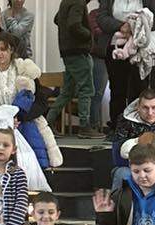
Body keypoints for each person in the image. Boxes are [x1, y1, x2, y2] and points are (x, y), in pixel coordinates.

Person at [0, 33, 62, 170]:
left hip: (27, 122)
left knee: (31, 166)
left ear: (11, 50)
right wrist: (2, 119)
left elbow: (41, 102)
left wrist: (20, 117)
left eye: (3, 49)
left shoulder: (25, 70)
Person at [48, 0, 99, 138]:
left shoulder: (67, 1)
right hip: (78, 52)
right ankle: (84, 127)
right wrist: (89, 34)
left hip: (67, 52)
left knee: (67, 92)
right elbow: (74, 25)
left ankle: (48, 122)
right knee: (86, 89)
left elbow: (57, 19)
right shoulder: (78, 2)